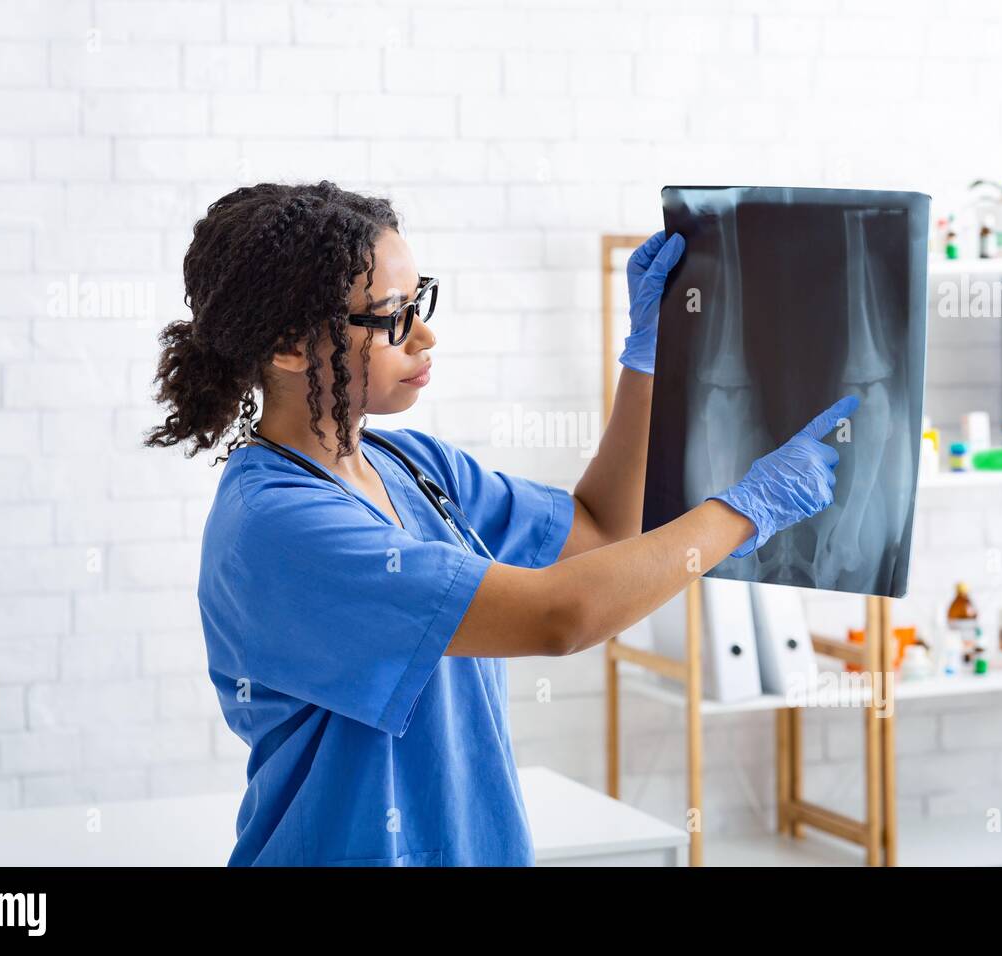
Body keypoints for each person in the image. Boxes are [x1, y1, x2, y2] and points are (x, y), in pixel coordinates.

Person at [144, 181, 857, 866]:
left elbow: (601, 530)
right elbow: (559, 618)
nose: (423, 336)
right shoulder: (278, 527)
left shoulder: (410, 465)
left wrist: (651, 357)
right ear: (289, 347)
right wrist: (746, 509)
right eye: (390, 315)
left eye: (419, 301)